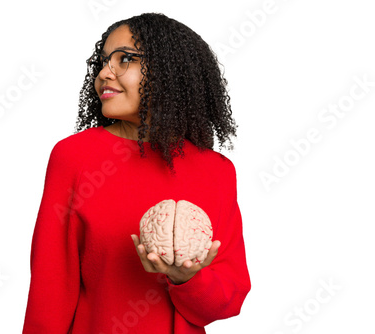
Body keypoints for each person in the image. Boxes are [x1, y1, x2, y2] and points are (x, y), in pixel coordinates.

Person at [22, 12, 251, 334]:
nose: (104, 73)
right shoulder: (75, 157)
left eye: (125, 59)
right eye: (103, 62)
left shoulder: (217, 171)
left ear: (170, 72)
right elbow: (51, 284)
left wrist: (185, 278)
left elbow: (228, 302)